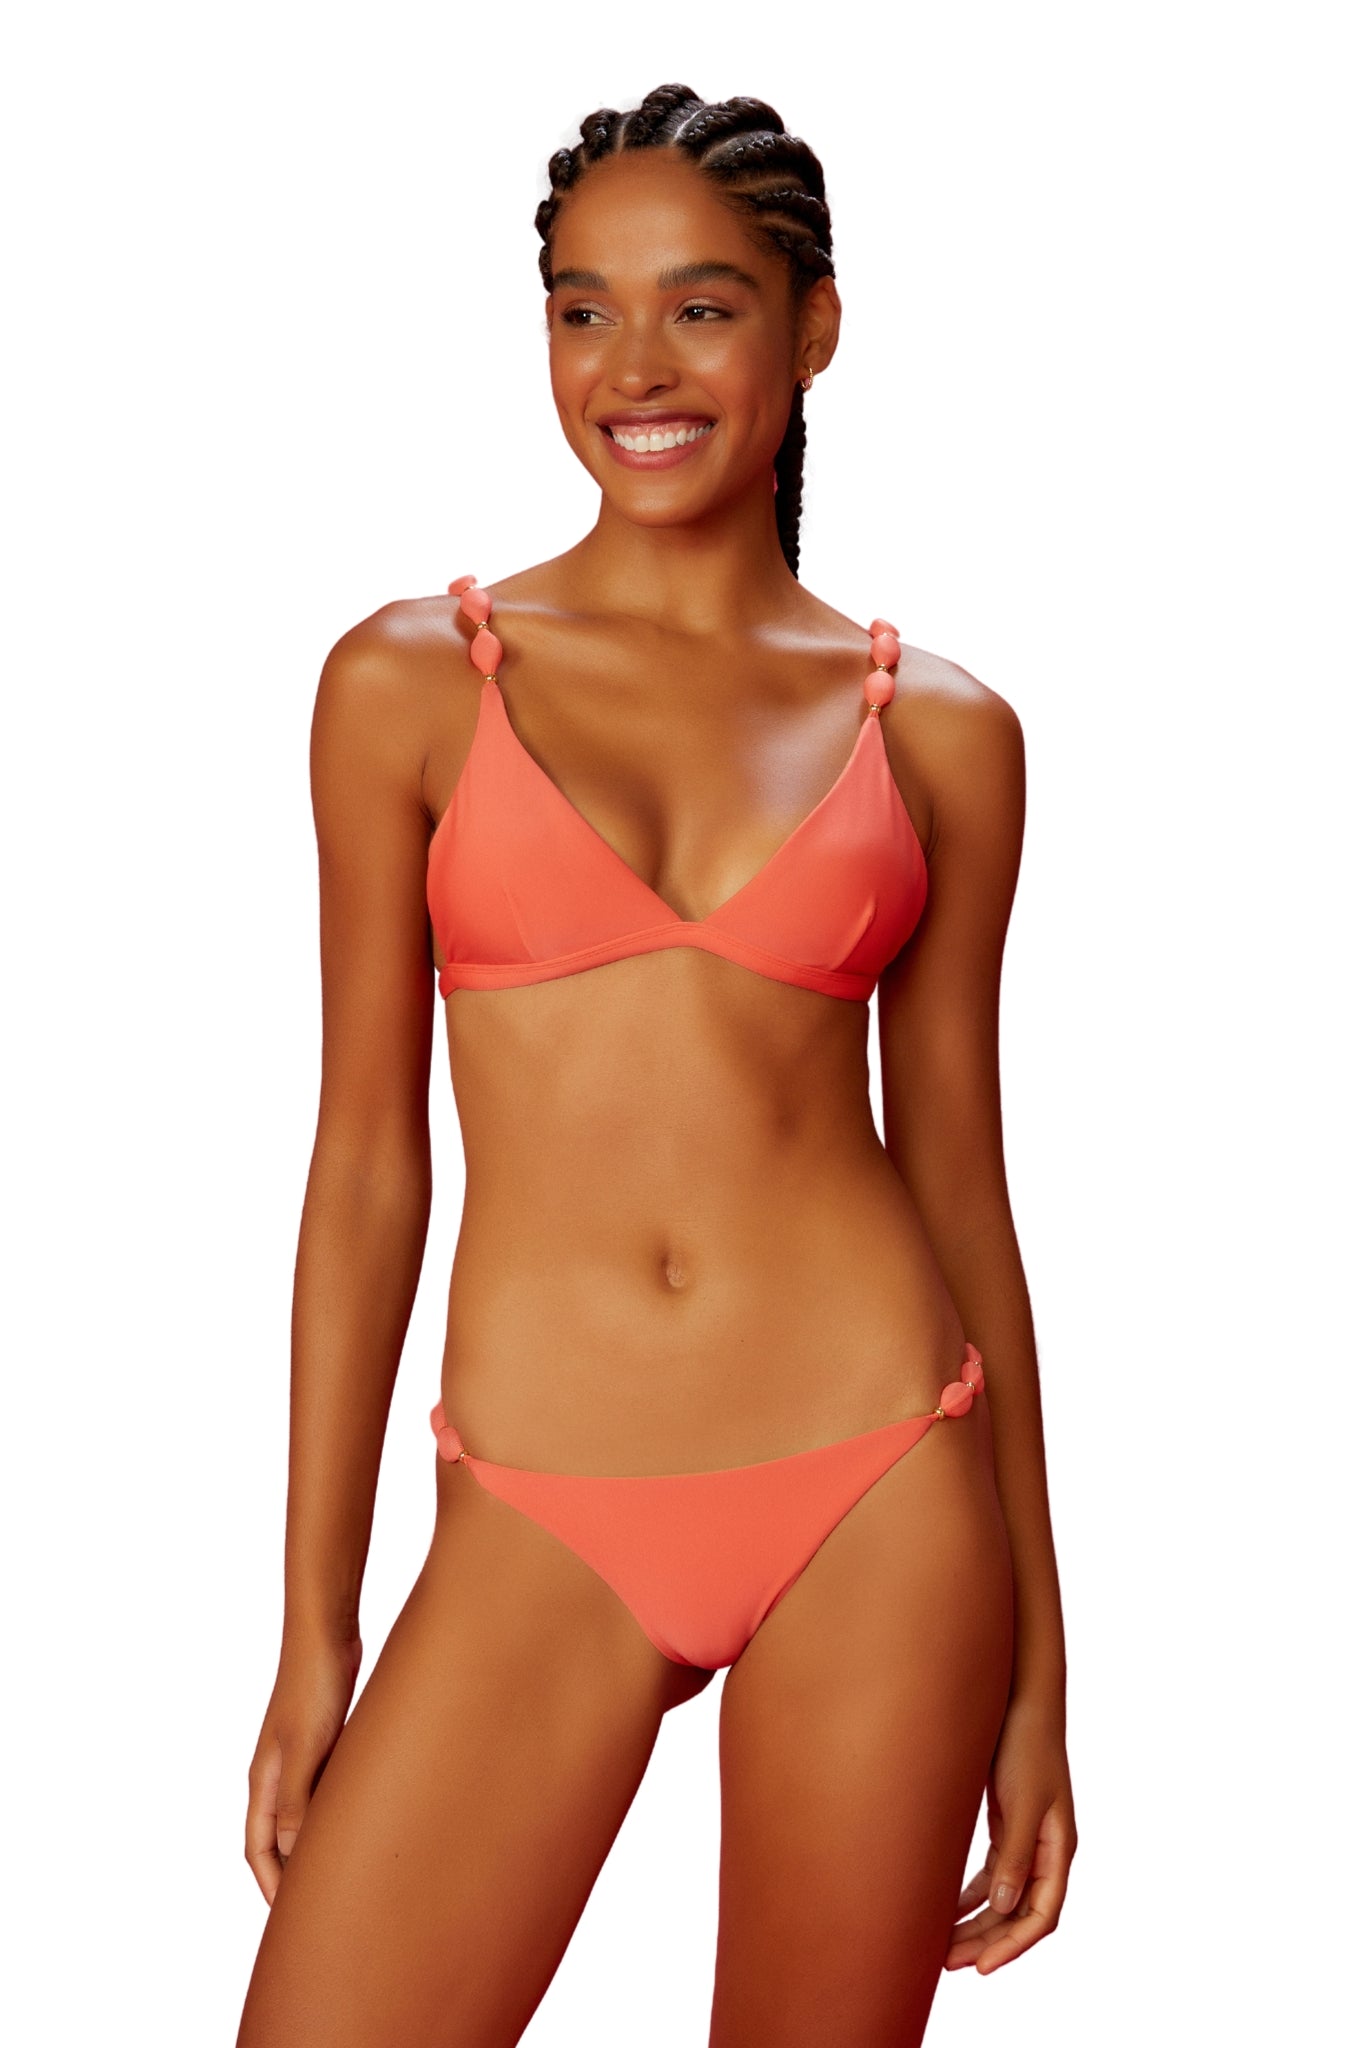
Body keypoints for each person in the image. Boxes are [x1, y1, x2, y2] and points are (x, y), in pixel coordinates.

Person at [236, 82, 1077, 2048]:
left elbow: (960, 1185)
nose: (634, 368)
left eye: (700, 307)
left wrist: (1041, 1667)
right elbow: (366, 1168)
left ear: (813, 327)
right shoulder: (406, 683)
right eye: (580, 309)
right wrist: (312, 1624)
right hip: (542, 1493)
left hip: (877, 1471)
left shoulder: (939, 729)